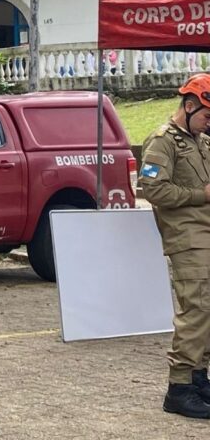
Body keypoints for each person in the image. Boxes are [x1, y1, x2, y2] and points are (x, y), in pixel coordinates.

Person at [140, 73, 210, 419]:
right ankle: (179, 387)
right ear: (188, 105)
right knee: (195, 311)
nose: (209, 124)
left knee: (208, 311)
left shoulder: (201, 141)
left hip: (207, 237)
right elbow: (152, 190)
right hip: (187, 241)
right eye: (207, 116)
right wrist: (201, 195)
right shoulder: (162, 142)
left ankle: (199, 378)